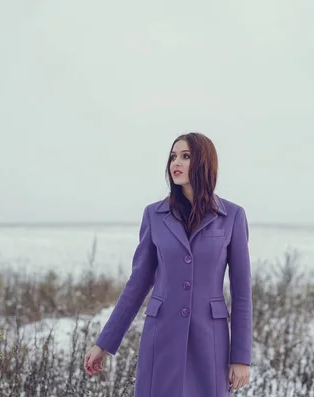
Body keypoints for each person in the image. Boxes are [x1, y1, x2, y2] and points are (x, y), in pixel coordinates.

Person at [84, 132, 252, 396]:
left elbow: (242, 293)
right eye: (173, 156)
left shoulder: (232, 216)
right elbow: (138, 283)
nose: (176, 162)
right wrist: (104, 343)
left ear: (204, 162)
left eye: (186, 156)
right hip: (161, 337)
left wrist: (241, 357)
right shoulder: (154, 215)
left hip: (210, 339)